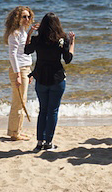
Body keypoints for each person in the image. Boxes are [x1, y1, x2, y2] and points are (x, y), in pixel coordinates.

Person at [24, 12, 75, 151]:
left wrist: (29, 33)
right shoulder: (62, 39)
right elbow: (68, 59)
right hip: (57, 78)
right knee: (52, 111)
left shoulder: (37, 39)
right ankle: (49, 143)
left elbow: (27, 50)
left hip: (41, 78)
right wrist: (72, 43)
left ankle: (40, 142)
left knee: (43, 111)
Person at [3, 6, 37, 141]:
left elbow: (25, 50)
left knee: (22, 100)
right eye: (24, 17)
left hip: (25, 68)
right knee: (19, 102)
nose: (27, 19)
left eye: (28, 16)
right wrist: (18, 74)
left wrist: (30, 33)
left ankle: (16, 131)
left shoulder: (23, 31)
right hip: (19, 69)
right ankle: (14, 133)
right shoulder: (15, 33)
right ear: (17, 18)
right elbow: (13, 55)